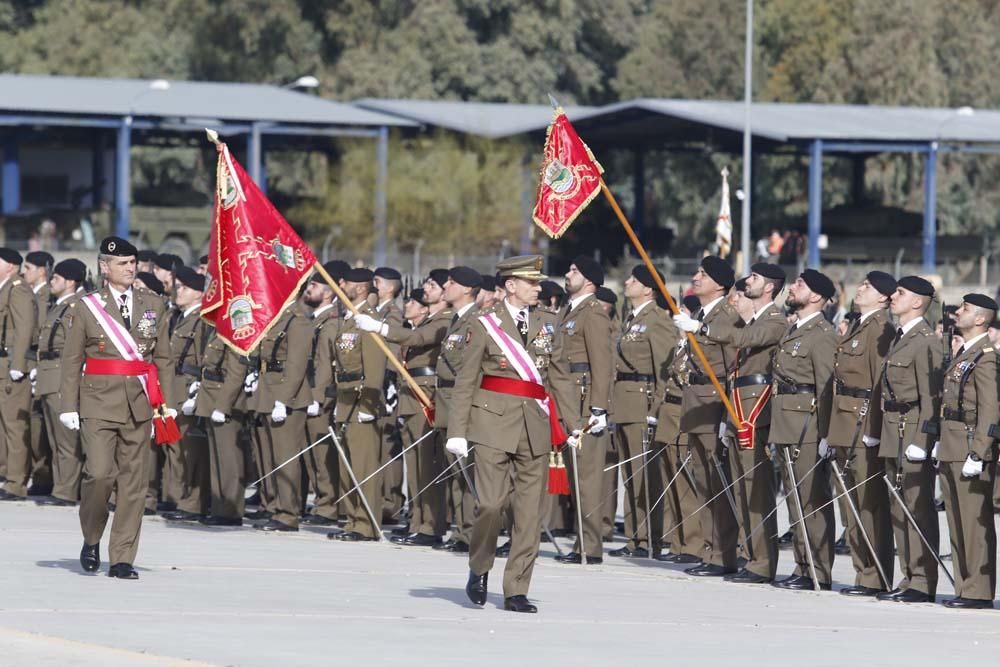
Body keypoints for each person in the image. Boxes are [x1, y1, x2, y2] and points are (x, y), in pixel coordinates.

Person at [446, 255, 558, 613]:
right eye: (532, 282)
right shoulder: (485, 325)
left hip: (535, 426)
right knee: (490, 504)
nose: (538, 288)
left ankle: (516, 588)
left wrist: (576, 423)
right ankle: (479, 567)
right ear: (512, 285)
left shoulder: (550, 323)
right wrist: (457, 431)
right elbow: (466, 381)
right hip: (492, 423)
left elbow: (560, 378)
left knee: (529, 514)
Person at [58, 236, 174, 579]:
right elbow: (71, 360)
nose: (130, 268)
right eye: (123, 263)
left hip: (139, 403)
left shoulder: (153, 304)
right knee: (99, 474)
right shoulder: (86, 306)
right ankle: (92, 536)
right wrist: (68, 405)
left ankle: (122, 556)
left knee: (134, 483)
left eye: (133, 262)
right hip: (97, 402)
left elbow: (163, 358)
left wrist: (167, 406)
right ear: (104, 267)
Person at [679, 263, 788, 584]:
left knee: (755, 490)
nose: (745, 283)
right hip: (736, 409)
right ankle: (743, 557)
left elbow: (742, 340)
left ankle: (758, 561)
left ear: (769, 287)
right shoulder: (753, 320)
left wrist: (700, 329)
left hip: (755, 413)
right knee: (739, 489)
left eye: (753, 278)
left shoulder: (775, 320)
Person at [356, 275, 453, 547]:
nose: (426, 291)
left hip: (427, 398)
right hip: (411, 397)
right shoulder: (431, 319)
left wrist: (381, 327)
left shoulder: (446, 319)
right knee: (415, 466)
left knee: (428, 466)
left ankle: (431, 525)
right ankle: (417, 521)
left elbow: (418, 338)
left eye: (433, 287)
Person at [766, 270, 838, 591]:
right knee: (795, 500)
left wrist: (826, 434)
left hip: (807, 424)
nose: (792, 287)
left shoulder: (822, 334)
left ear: (816, 298)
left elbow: (826, 387)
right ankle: (802, 565)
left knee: (811, 499)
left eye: (800, 285)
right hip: (786, 422)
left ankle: (817, 569)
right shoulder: (794, 328)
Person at [829, 272, 897, 597]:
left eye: (868, 287)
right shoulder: (858, 325)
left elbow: (879, 384)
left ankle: (874, 574)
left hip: (861, 423)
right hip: (844, 423)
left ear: (884, 298)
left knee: (868, 504)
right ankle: (861, 571)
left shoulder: (880, 328)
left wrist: (873, 430)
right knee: (849, 505)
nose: (860, 289)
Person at [671, 256, 740, 576]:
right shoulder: (701, 313)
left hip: (714, 402)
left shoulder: (726, 314)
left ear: (719, 285)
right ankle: (709, 549)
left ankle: (723, 552)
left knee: (717, 480)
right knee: (703, 480)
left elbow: (730, 364)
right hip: (695, 399)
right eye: (697, 271)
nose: (696, 277)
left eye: (703, 274)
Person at [876, 276, 942, 604]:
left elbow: (931, 397)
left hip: (912, 426)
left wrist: (924, 438)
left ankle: (923, 580)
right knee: (898, 506)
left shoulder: (925, 340)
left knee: (917, 507)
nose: (893, 297)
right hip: (893, 427)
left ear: (917, 302)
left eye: (900, 293)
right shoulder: (900, 337)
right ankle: (909, 575)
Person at [936, 294, 998, 609]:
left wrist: (980, 452)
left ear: (979, 319)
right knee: (957, 521)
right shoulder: (965, 352)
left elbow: (990, 410)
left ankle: (978, 590)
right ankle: (965, 585)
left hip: (969, 446)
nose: (958, 312)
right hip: (951, 442)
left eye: (965, 309)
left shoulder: (985, 357)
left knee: (974, 521)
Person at [548, 256, 611, 565]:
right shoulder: (568, 311)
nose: (567, 274)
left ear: (589, 281)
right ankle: (581, 542)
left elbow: (602, 362)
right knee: (575, 477)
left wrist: (599, 407)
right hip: (564, 397)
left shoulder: (594, 313)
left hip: (584, 402)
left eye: (574, 271)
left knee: (586, 479)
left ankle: (590, 547)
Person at [609, 264, 675, 559]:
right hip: (623, 403)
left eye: (634, 279)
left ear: (648, 288)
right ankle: (635, 537)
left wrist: (656, 407)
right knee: (629, 476)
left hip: (642, 401)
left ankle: (650, 538)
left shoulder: (657, 320)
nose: (627, 281)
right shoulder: (632, 319)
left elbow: (665, 369)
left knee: (643, 475)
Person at [327, 268, 387, 542]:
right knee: (347, 466)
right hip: (345, 398)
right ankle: (352, 520)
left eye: (346, 283)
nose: (341, 286)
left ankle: (366, 524)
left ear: (360, 288)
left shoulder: (368, 320)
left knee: (363, 467)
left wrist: (368, 406)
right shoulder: (349, 320)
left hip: (361, 400)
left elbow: (374, 367)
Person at [251, 293, 312, 533]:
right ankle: (276, 507)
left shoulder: (298, 321)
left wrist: (283, 400)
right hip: (268, 390)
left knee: (286, 459)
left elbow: (296, 365)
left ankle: (288, 514)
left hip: (288, 397)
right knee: (272, 458)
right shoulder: (277, 317)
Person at [432, 267, 482, 553]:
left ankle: (470, 532)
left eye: (451, 283)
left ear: (466, 289)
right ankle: (461, 530)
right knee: (455, 471)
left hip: (463, 401)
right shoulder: (457, 319)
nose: (446, 287)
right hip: (448, 399)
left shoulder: (475, 321)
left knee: (467, 472)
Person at [34, 259, 87, 506]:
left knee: (66, 441)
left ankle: (66, 491)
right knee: (55, 439)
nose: (51, 281)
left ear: (70, 281)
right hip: (48, 374)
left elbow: (74, 348)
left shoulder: (76, 307)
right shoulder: (61, 305)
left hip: (60, 376)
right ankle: (60, 486)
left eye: (56, 278)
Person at [161, 267, 210, 522]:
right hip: (172, 386)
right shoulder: (179, 317)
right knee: (172, 446)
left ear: (199, 294)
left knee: (189, 450)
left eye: (184, 288)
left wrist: (198, 389)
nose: (178, 291)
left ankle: (193, 502)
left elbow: (205, 357)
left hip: (186, 386)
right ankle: (174, 496)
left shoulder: (201, 321)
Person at [299, 267, 342, 527]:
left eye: (314, 286)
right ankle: (320, 501)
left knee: (321, 453)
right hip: (308, 391)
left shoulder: (330, 321)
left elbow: (325, 364)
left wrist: (316, 397)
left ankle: (328, 505)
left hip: (321, 394)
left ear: (328, 293)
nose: (309, 289)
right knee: (310, 453)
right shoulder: (314, 319)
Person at [0, 248, 38, 500]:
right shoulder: (5, 287)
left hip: (12, 364)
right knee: (3, 425)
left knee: (14, 425)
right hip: (3, 362)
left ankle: (15, 483)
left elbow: (24, 327)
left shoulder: (18, 289)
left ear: (11, 266)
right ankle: (5, 473)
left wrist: (18, 364)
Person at [22, 250, 54, 496]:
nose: (25, 272)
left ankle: (43, 477)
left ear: (42, 270)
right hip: (33, 365)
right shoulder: (31, 293)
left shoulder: (45, 297)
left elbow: (40, 334)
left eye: (29, 267)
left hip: (39, 364)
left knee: (39, 427)